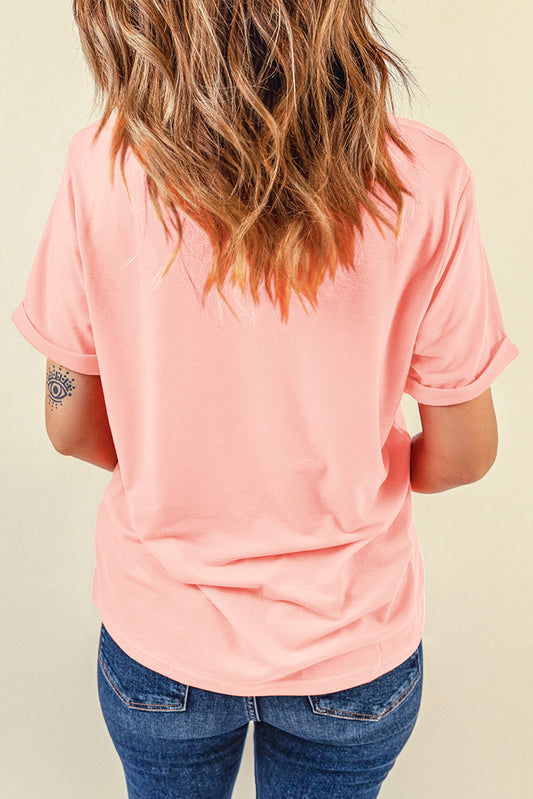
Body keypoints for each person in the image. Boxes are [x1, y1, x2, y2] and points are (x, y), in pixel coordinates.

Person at [11, 1, 519, 797]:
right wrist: (351, 478)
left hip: (162, 640)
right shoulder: (422, 177)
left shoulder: (102, 164)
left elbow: (67, 420)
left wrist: (175, 468)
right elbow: (465, 454)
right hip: (350, 647)